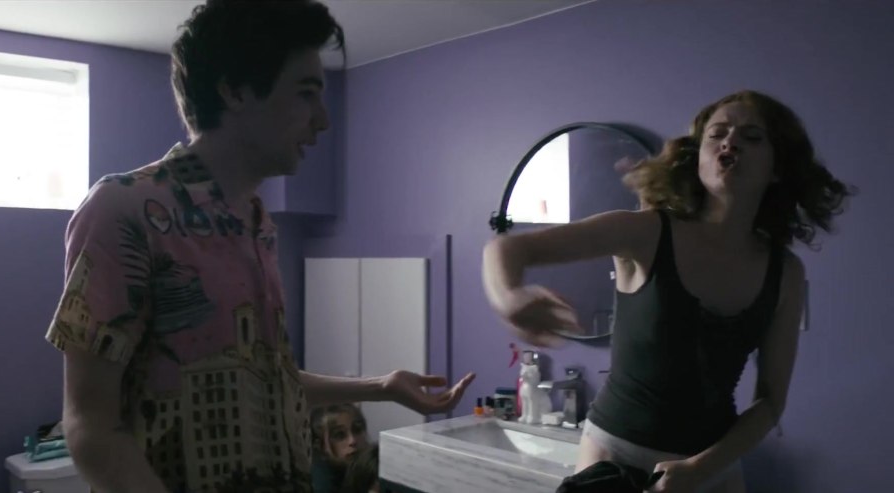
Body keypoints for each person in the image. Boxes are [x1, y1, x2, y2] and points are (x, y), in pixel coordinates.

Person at [45, 2, 474, 493]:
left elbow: (264, 377)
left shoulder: (256, 223)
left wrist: (381, 387)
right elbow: (90, 425)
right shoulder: (124, 208)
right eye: (306, 93)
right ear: (235, 90)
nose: (323, 121)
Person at [482, 89, 854, 493]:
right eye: (717, 134)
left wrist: (699, 469)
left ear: (778, 168)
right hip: (613, 458)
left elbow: (770, 402)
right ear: (698, 156)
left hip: (711, 470)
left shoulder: (785, 273)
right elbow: (507, 249)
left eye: (751, 137)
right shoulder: (646, 233)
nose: (729, 142)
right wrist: (508, 296)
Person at [309, 404, 371, 493]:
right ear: (320, 445)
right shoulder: (320, 485)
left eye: (357, 429)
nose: (352, 441)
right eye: (340, 435)